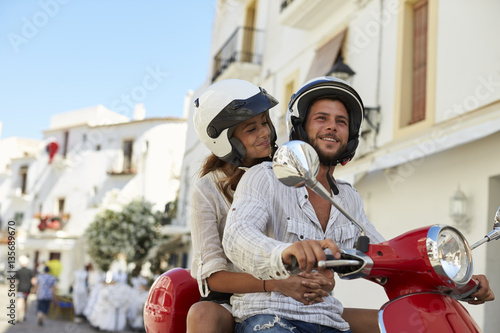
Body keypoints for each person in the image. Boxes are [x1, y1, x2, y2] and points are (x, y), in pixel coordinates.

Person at [222, 76, 495, 333]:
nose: (332, 126)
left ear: (350, 134)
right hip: (268, 317)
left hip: (329, 322)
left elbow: (389, 258)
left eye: (341, 121)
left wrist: (459, 283)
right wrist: (285, 253)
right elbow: (238, 236)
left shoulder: (349, 199)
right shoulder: (267, 176)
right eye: (321, 118)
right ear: (300, 127)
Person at [186, 79, 335, 333]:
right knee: (202, 314)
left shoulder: (287, 174)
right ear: (225, 139)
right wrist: (276, 283)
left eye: (265, 122)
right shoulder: (207, 190)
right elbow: (213, 278)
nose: (265, 132)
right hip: (236, 302)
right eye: (251, 128)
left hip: (294, 298)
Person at [15, 255, 35, 322]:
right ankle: (24, 315)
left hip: (20, 288)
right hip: (27, 289)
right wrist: (34, 288)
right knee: (25, 302)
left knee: (19, 301)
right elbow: (33, 281)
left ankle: (18, 316)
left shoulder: (18, 271)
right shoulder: (29, 271)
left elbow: (13, 280)